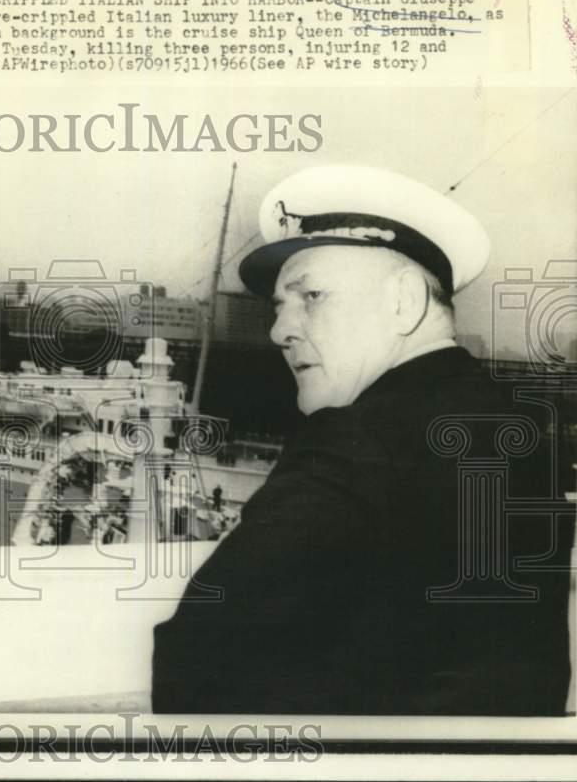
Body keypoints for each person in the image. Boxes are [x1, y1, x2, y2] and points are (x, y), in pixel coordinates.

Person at [152, 165, 574, 715]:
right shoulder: (522, 433)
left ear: (403, 301)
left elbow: (195, 662)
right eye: (279, 307)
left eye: (312, 296)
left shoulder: (357, 441)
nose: (280, 331)